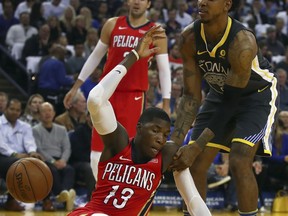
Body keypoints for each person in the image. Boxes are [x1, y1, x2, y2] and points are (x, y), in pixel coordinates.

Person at [68, 25, 211, 216]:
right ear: (139, 127)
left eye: (165, 134)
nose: (161, 138)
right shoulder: (117, 144)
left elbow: (193, 200)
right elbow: (95, 99)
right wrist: (134, 55)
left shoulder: (167, 154)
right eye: (156, 130)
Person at [169, 1, 278, 216]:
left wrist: (196, 145)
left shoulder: (242, 42)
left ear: (227, 4)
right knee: (196, 163)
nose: (202, 1)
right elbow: (190, 96)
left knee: (239, 160)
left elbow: (230, 104)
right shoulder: (189, 37)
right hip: (219, 94)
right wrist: (175, 142)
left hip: (255, 98)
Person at [64, 0, 172, 181]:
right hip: (107, 94)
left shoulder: (156, 32)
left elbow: (164, 69)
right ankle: (102, 194)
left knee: (128, 149)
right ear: (128, 1)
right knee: (97, 150)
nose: (137, 1)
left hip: (133, 95)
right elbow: (95, 56)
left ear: (149, 4)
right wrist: (76, 87)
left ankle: (121, 195)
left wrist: (167, 103)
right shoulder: (112, 24)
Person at [0, 98, 52, 211]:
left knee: (42, 164)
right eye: (12, 109)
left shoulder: (25, 126)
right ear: (5, 109)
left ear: (21, 112)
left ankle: (46, 200)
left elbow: (29, 142)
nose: (14, 112)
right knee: (16, 165)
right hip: (3, 156)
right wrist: (15, 154)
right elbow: (1, 145)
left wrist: (32, 152)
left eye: (17, 110)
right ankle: (11, 201)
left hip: (22, 157)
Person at [32, 102, 76, 211]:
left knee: (69, 170)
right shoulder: (35, 130)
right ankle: (61, 195)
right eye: (44, 111)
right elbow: (38, 149)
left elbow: (67, 148)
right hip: (44, 160)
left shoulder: (62, 129)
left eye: (50, 110)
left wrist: (63, 160)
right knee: (51, 170)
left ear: (54, 113)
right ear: (39, 115)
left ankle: (66, 196)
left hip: (60, 159)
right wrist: (52, 161)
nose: (47, 113)